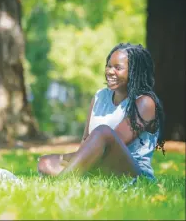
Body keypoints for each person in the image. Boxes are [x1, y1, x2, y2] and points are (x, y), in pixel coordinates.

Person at [37, 43, 165, 180]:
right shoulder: (100, 96)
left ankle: (62, 182)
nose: (110, 71)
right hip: (100, 166)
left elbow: (109, 143)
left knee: (103, 132)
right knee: (46, 162)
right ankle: (84, 176)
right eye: (109, 66)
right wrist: (77, 158)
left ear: (134, 71)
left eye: (118, 68)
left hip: (133, 173)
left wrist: (66, 157)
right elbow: (86, 140)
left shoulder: (145, 102)